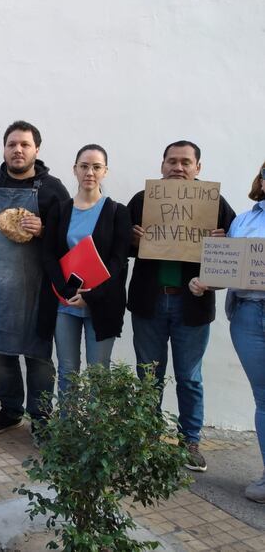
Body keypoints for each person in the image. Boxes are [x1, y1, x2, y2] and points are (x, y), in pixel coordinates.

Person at [128, 140, 235, 472]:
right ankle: (146, 437)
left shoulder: (214, 204)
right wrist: (131, 238)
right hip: (150, 301)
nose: (178, 167)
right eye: (171, 161)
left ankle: (190, 441)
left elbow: (234, 255)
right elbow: (120, 248)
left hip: (193, 304)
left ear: (197, 168)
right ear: (161, 165)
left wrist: (222, 245)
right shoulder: (144, 200)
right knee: (149, 376)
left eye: (185, 162)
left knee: (189, 377)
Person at [0, 121, 70, 434]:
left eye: (25, 145)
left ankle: (41, 418)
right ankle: (10, 410)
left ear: (36, 150)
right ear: (4, 148)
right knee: (1, 354)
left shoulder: (53, 189)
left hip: (34, 292)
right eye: (12, 144)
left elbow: (70, 236)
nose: (18, 150)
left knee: (38, 357)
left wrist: (46, 230)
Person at [190, 162, 265, 501]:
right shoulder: (244, 221)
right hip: (249, 316)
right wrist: (204, 281)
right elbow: (228, 271)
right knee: (264, 399)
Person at [40, 144, 131, 400]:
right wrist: (67, 291)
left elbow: (118, 261)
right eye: (84, 166)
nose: (89, 172)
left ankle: (93, 437)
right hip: (66, 303)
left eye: (96, 167)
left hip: (103, 303)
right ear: (75, 169)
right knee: (68, 370)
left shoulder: (117, 212)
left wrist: (90, 296)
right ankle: (68, 434)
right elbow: (49, 255)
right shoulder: (60, 209)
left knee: (98, 373)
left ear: (105, 172)